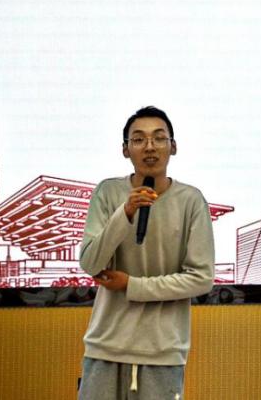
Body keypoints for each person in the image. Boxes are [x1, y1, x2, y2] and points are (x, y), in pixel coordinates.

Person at [77, 106, 215, 399]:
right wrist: (126, 212)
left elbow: (201, 279)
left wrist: (132, 285)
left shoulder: (191, 201)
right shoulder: (107, 193)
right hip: (105, 345)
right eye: (138, 139)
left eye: (159, 138)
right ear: (125, 150)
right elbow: (90, 263)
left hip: (162, 351)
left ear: (173, 146)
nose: (150, 147)